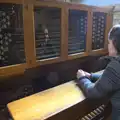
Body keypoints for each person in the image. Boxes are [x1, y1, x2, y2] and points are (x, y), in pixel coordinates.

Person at [76, 24, 120, 120]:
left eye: (109, 43)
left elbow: (94, 92)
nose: (108, 46)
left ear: (114, 42)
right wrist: (91, 76)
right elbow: (111, 79)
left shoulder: (117, 64)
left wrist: (82, 78)